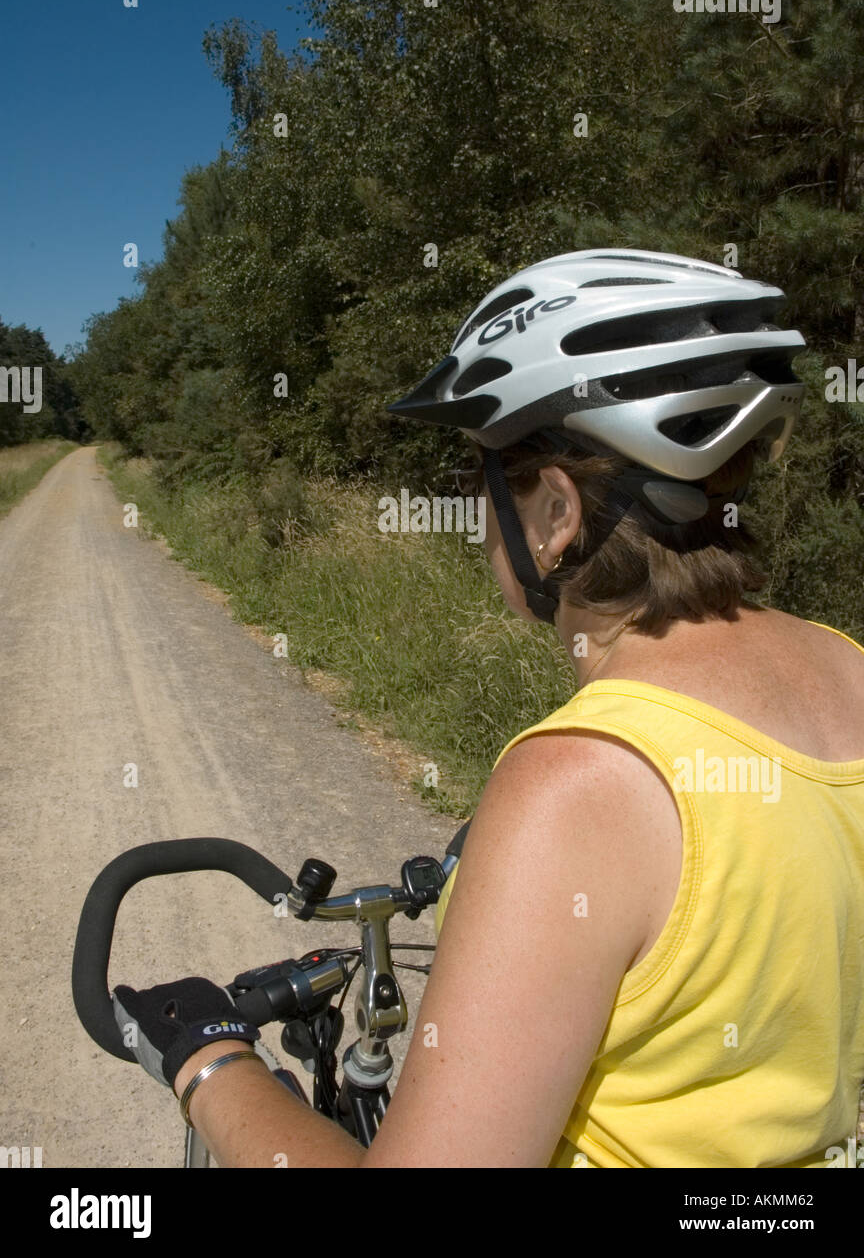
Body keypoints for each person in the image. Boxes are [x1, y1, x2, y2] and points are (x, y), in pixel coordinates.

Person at [113, 248, 864, 1168]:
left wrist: (209, 1063)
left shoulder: (581, 782)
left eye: (484, 484)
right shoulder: (849, 670)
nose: (479, 524)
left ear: (554, 513)